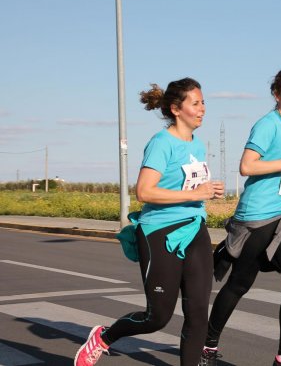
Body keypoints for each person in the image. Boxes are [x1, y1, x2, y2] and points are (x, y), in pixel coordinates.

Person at [74, 77, 224, 366]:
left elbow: (191, 190)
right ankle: (105, 337)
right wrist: (195, 192)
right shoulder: (161, 143)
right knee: (157, 317)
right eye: (196, 103)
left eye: (203, 102)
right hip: (160, 233)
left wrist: (206, 193)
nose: (203, 108)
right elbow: (144, 191)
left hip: (194, 229)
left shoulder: (198, 145)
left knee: (198, 315)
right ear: (176, 109)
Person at [201, 65, 281, 366]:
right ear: (277, 94)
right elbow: (247, 166)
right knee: (239, 283)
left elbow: (276, 167)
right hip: (258, 217)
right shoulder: (268, 124)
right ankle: (206, 345)